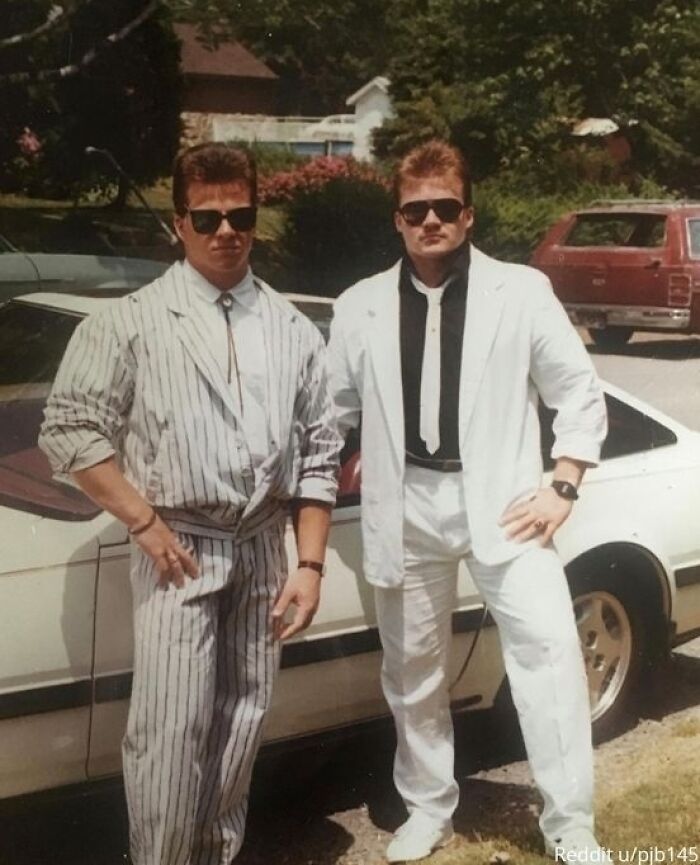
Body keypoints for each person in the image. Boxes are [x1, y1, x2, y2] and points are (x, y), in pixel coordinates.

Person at [39, 143, 341, 865]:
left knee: (242, 721)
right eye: (207, 217)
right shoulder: (131, 322)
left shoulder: (292, 328)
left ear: (255, 218)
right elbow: (69, 429)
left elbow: (321, 450)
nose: (225, 231)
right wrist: (141, 519)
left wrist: (310, 564)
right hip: (183, 547)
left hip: (267, 544)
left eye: (240, 214)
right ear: (179, 222)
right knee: (171, 731)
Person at [327, 140, 608, 863]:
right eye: (415, 209)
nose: (430, 221)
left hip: (506, 501)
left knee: (548, 651)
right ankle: (427, 807)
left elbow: (576, 390)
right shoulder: (357, 306)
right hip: (406, 503)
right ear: (397, 219)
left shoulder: (520, 291)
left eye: (444, 208)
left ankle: (570, 824)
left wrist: (564, 482)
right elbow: (329, 413)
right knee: (413, 666)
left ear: (468, 214)